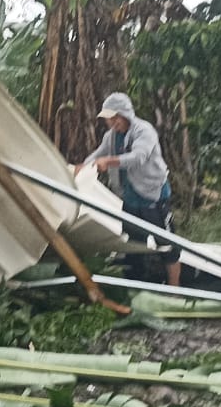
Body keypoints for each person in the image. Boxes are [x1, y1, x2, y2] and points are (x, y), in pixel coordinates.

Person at [75, 92, 181, 286]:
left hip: (152, 195)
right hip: (130, 198)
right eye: (109, 119)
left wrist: (109, 162)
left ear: (126, 115)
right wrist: (80, 168)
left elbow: (138, 157)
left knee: (167, 244)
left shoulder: (144, 131)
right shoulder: (111, 136)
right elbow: (98, 154)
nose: (113, 123)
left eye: (116, 118)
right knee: (133, 244)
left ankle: (176, 289)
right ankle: (137, 284)